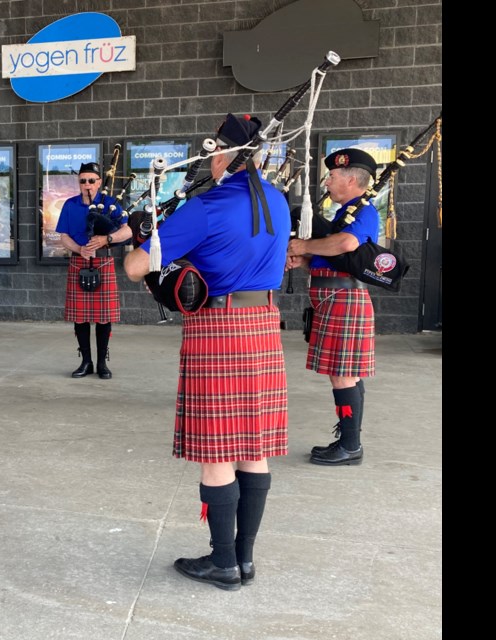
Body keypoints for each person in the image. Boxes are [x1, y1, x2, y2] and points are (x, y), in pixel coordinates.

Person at [124, 113, 290, 591]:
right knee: (254, 448)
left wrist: (147, 238)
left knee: (217, 449)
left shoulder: (208, 206)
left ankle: (221, 563)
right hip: (263, 325)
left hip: (218, 328)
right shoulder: (277, 202)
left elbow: (137, 267)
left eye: (212, 148)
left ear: (222, 153)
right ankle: (245, 559)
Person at [286, 148, 379, 466]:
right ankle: (348, 437)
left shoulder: (364, 210)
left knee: (342, 375)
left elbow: (346, 244)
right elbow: (333, 260)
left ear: (352, 179)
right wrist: (304, 259)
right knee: (345, 374)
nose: (327, 180)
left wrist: (305, 245)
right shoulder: (345, 213)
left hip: (344, 301)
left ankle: (351, 445)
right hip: (332, 299)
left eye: (333, 175)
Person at [56, 162, 132, 379]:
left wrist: (106, 239)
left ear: (99, 182)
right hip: (79, 262)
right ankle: (86, 361)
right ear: (79, 183)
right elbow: (64, 236)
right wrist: (79, 248)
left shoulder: (111, 203)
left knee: (103, 317)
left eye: (91, 180)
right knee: (79, 317)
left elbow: (127, 231)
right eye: (83, 181)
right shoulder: (70, 205)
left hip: (103, 262)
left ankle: (101, 363)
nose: (87, 185)